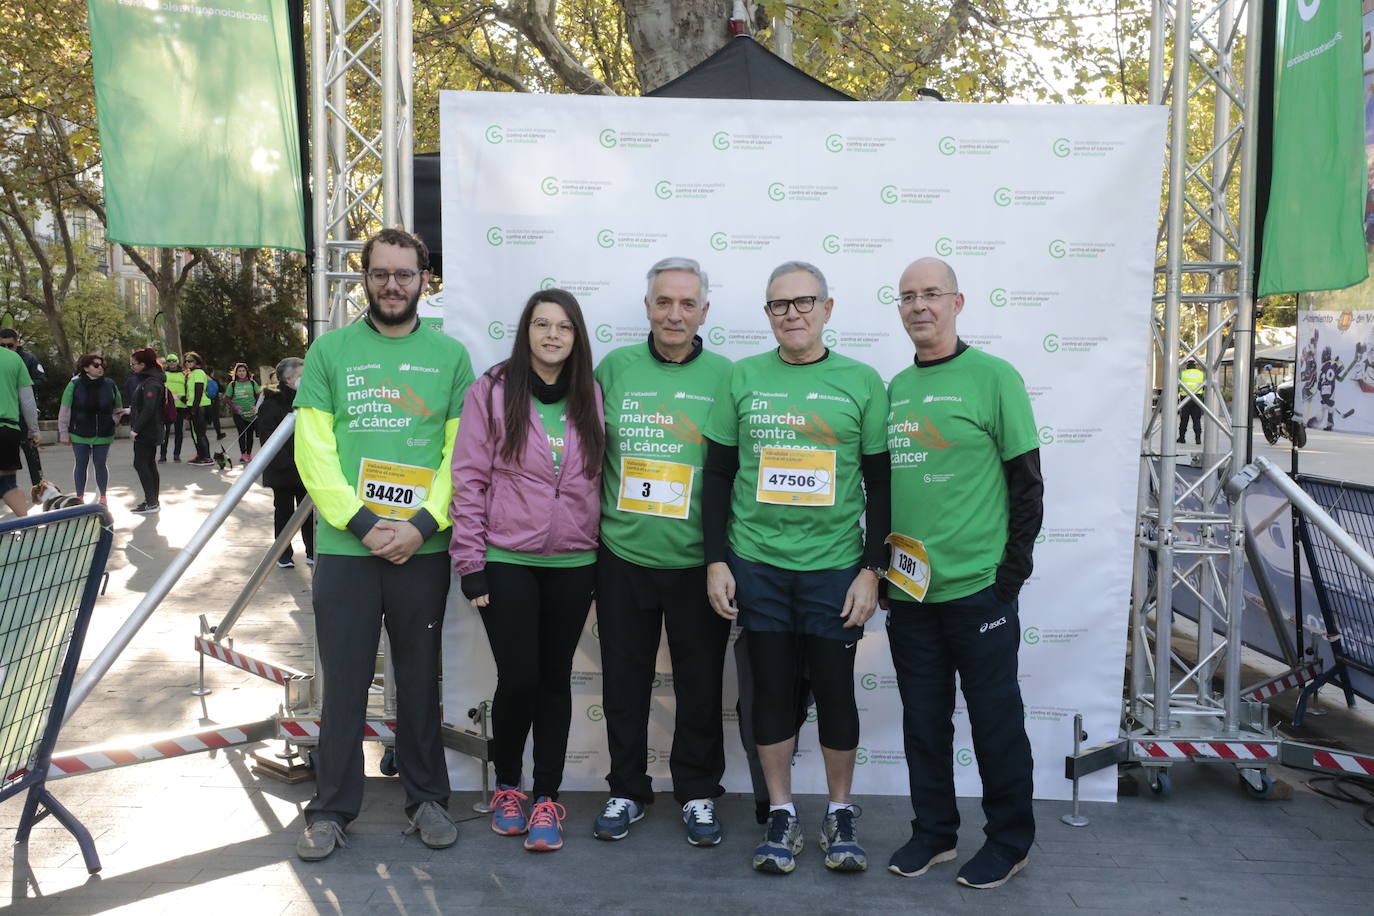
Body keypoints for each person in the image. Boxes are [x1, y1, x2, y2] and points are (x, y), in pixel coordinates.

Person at [293, 227, 474, 861]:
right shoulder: (329, 352)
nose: (392, 285)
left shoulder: (451, 358)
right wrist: (363, 523)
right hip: (348, 549)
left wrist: (423, 524)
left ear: (425, 279)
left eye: (404, 274)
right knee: (342, 682)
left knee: (421, 680)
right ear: (363, 278)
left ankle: (427, 799)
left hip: (421, 551)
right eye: (380, 274)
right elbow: (313, 452)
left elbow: (461, 455)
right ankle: (331, 808)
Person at [703, 260, 890, 875]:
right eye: (780, 305)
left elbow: (881, 485)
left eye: (804, 302)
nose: (793, 314)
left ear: (828, 309)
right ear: (768, 315)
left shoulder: (862, 382)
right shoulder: (743, 377)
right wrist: (716, 561)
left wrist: (872, 570)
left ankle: (840, 811)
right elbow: (720, 475)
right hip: (757, 564)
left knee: (836, 692)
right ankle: (781, 812)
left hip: (834, 566)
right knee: (773, 693)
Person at [882, 257, 1042, 889]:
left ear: (957, 302)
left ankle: (1010, 839)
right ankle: (933, 833)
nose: (919, 306)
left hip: (980, 590)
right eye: (907, 297)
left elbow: (1027, 485)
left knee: (995, 722)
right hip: (911, 590)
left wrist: (1009, 580)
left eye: (931, 294)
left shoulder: (995, 377)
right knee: (923, 720)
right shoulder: (894, 388)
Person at [450, 287, 603, 854]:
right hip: (506, 559)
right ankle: (509, 786)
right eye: (542, 324)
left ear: (575, 335)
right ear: (527, 331)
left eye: (564, 326)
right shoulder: (491, 391)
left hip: (574, 561)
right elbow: (469, 480)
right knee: (519, 679)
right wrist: (471, 563)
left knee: (554, 678)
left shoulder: (591, 393)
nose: (553, 335)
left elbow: (600, 480)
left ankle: (546, 799)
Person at [590, 257, 733, 846]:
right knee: (623, 683)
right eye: (664, 302)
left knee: (701, 686)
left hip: (700, 562)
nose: (675, 313)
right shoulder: (613, 369)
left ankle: (698, 793)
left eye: (687, 303)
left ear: (704, 311)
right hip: (622, 555)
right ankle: (627, 788)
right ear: (647, 306)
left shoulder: (729, 376)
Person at [256, 357, 314, 568]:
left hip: (306, 468)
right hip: (283, 471)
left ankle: (312, 551)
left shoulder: (308, 399)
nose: (306, 379)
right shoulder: (271, 403)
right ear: (289, 377)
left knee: (308, 513)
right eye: (302, 375)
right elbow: (268, 439)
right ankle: (283, 553)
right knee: (284, 513)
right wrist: (289, 463)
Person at [58, 354, 124, 505]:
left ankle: (103, 496)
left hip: (104, 432)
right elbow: (65, 409)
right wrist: (63, 432)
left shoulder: (110, 384)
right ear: (85, 368)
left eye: (102, 365)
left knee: (100, 464)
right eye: (95, 365)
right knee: (81, 463)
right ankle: (79, 496)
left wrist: (112, 422)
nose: (100, 368)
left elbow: (118, 407)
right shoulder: (74, 384)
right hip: (79, 432)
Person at [0, 329, 45, 489]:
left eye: (10, 345)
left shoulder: (28, 359)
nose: (6, 349)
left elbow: (40, 380)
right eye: (2, 345)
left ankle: (38, 485)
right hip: (7, 415)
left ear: (17, 343)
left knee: (31, 451)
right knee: (6, 462)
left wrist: (21, 384)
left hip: (24, 413)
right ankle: (7, 489)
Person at [0, 337, 39, 517]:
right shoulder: (13, 358)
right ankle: (27, 527)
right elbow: (28, 401)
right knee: (8, 483)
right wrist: (34, 430)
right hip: (8, 429)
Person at [127, 347, 167, 514]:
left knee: (141, 463)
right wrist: (129, 411)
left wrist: (136, 429)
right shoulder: (151, 380)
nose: (132, 367)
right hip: (152, 429)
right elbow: (145, 406)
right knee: (149, 464)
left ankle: (151, 502)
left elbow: (150, 408)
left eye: (134, 364)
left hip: (147, 430)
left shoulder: (150, 382)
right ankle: (152, 501)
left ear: (143, 364)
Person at [226, 362, 262, 464]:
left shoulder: (252, 383)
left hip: (251, 414)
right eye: (239, 371)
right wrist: (236, 408)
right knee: (241, 433)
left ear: (247, 372)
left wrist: (256, 406)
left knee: (250, 434)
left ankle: (248, 454)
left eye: (243, 371)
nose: (241, 373)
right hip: (238, 414)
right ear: (236, 373)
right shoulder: (232, 385)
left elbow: (259, 395)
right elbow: (227, 398)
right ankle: (243, 454)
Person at [183, 352, 214, 466]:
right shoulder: (191, 373)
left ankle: (206, 457)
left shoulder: (199, 372)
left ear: (197, 361)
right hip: (193, 405)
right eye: (186, 361)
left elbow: (199, 392)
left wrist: (193, 410)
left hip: (200, 406)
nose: (187, 363)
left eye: (190, 360)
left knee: (200, 433)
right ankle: (200, 455)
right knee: (195, 434)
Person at [160, 353, 188, 462]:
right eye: (169, 361)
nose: (172, 363)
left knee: (178, 432)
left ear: (177, 362)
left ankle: (177, 454)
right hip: (167, 407)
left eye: (174, 361)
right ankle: (163, 455)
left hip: (180, 407)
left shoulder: (183, 374)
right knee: (165, 432)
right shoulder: (163, 374)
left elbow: (188, 388)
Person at [1176, 358, 1204, 445]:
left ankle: (1182, 438)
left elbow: (1177, 385)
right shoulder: (1201, 374)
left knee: (1184, 420)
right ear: (1195, 366)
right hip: (1197, 399)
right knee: (1197, 420)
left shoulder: (1182, 374)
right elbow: (1204, 386)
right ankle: (1198, 439)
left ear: (1187, 367)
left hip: (1185, 399)